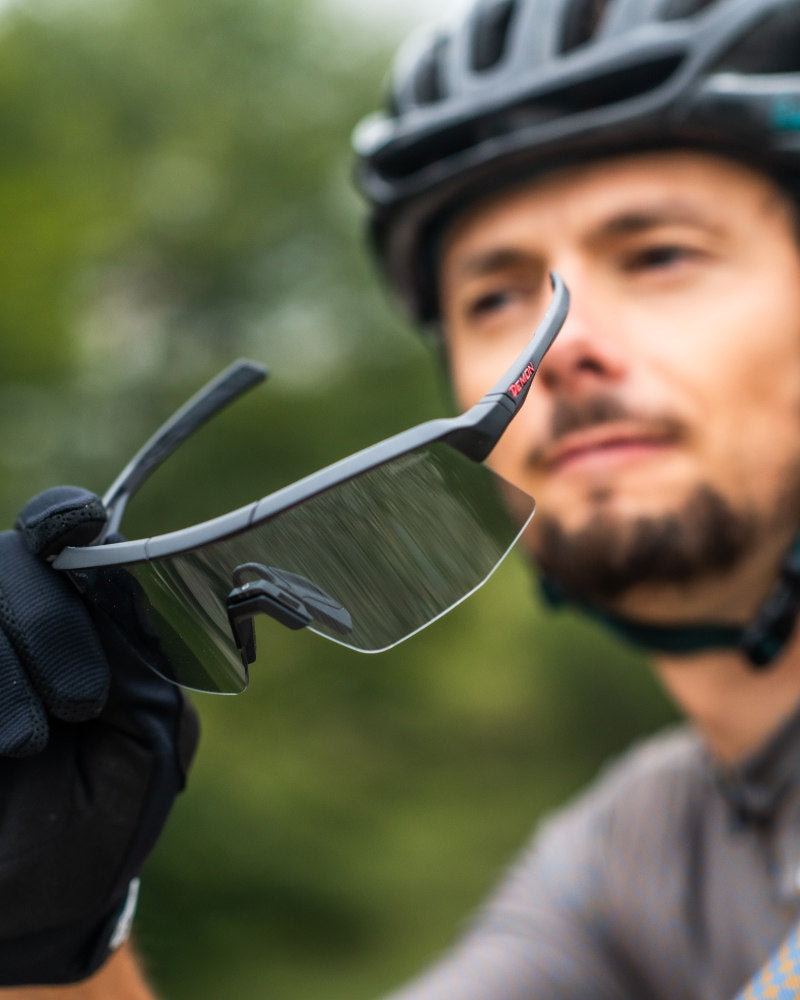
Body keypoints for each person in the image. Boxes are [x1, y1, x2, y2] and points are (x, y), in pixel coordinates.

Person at [9, 0, 800, 995]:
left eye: (657, 255)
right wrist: (48, 936)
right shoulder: (632, 857)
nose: (567, 347)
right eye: (496, 297)